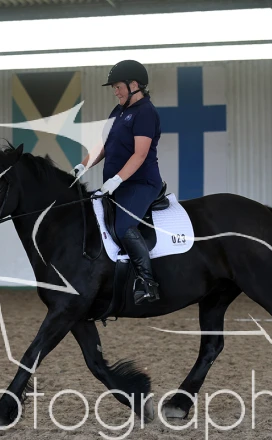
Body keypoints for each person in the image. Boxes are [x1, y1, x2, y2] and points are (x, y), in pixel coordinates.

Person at [73, 60, 163, 305]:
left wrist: (116, 179)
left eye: (118, 86)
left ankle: (147, 282)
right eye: (114, 88)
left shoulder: (145, 112)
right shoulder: (118, 111)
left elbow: (140, 154)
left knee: (123, 227)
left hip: (141, 184)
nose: (115, 91)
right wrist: (82, 166)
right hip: (118, 184)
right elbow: (103, 146)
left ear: (134, 85)